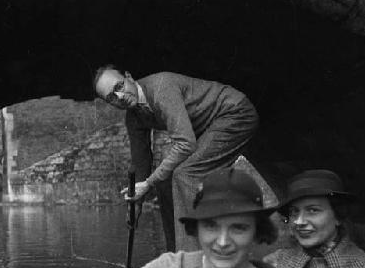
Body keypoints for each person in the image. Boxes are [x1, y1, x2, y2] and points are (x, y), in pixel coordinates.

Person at [67, 168, 322, 268]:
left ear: (257, 232)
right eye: (211, 226)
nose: (223, 242)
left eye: (239, 228)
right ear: (196, 229)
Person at [93, 65, 259, 251]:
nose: (120, 97)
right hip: (208, 128)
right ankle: (177, 255)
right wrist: (136, 204)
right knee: (165, 182)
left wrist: (148, 183)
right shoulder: (134, 117)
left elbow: (186, 144)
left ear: (129, 77)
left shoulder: (161, 89)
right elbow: (140, 160)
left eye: (119, 87)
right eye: (111, 98)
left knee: (185, 174)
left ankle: (194, 255)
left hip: (234, 114)